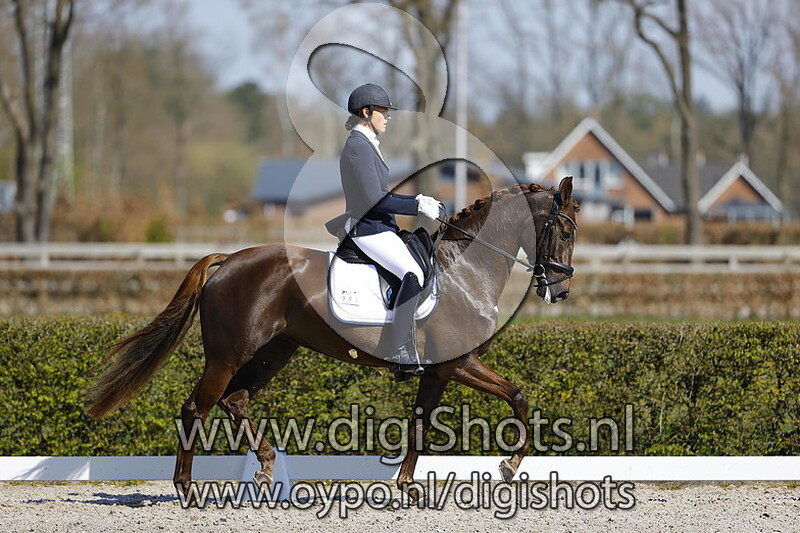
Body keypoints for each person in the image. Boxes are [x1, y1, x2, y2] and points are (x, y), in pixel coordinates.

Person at [338, 83, 441, 381]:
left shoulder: (368, 143)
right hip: (367, 229)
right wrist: (416, 204)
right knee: (412, 273)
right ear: (366, 112)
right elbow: (374, 199)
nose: (388, 117)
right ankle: (398, 352)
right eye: (383, 111)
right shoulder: (358, 146)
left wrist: (417, 202)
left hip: (380, 226)